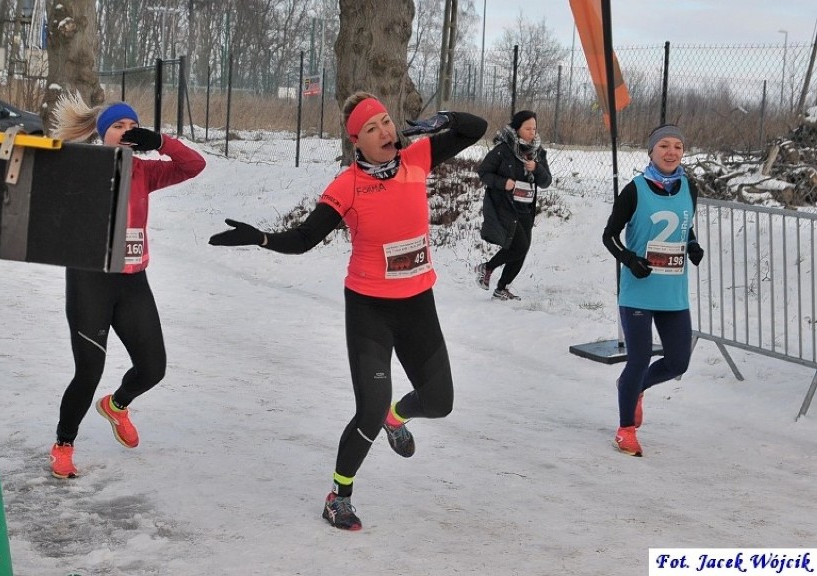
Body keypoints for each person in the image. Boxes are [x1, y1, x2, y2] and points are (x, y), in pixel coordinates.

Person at [209, 92, 487, 530]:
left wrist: (442, 121)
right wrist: (261, 237)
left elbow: (477, 128)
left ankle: (400, 416)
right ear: (356, 141)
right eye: (372, 128)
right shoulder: (348, 185)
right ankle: (339, 495)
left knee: (440, 402)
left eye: (387, 121)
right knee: (369, 409)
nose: (385, 131)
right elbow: (304, 238)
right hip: (369, 310)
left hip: (418, 305)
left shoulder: (419, 158)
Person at [48, 93, 206, 479]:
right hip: (91, 280)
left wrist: (161, 142)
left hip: (133, 281)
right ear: (103, 135)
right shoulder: (82, 168)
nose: (126, 132)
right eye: (118, 126)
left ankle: (117, 406)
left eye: (132, 127)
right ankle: (63, 444)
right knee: (89, 371)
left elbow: (194, 165)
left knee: (153, 368)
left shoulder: (145, 172)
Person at [601, 123, 703, 457]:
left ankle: (633, 388)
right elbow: (610, 235)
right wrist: (629, 259)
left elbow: (684, 227)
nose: (671, 152)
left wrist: (693, 245)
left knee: (678, 363)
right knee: (640, 357)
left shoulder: (690, 187)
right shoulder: (635, 189)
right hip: (638, 292)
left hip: (673, 292)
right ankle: (625, 429)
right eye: (664, 146)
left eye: (677, 146)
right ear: (651, 151)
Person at [475, 110, 552, 300]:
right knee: (519, 246)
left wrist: (537, 168)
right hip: (505, 206)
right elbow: (484, 172)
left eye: (534, 128)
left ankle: (501, 288)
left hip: (526, 208)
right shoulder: (503, 150)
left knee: (521, 250)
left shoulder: (538, 153)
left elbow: (546, 182)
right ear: (517, 129)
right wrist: (504, 183)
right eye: (527, 128)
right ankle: (487, 267)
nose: (532, 132)